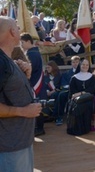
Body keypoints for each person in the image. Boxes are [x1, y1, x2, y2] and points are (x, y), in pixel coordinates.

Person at [0, 17, 42, 172]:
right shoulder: (1, 62)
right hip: (10, 148)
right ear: (11, 31)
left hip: (19, 143)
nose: (20, 30)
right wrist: (23, 111)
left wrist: (24, 72)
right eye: (17, 27)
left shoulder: (8, 60)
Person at [20, 33, 46, 136]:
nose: (21, 45)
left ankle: (39, 128)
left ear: (27, 41)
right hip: (35, 82)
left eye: (22, 42)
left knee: (37, 105)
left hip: (35, 83)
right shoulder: (34, 52)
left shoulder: (32, 54)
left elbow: (30, 68)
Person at [69, 59, 95, 132]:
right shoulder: (74, 77)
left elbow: (91, 90)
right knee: (76, 106)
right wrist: (77, 95)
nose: (85, 66)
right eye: (83, 64)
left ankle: (85, 128)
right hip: (76, 98)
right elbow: (72, 91)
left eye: (87, 65)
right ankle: (77, 128)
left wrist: (81, 93)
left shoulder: (91, 77)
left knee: (86, 105)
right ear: (80, 65)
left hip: (88, 98)